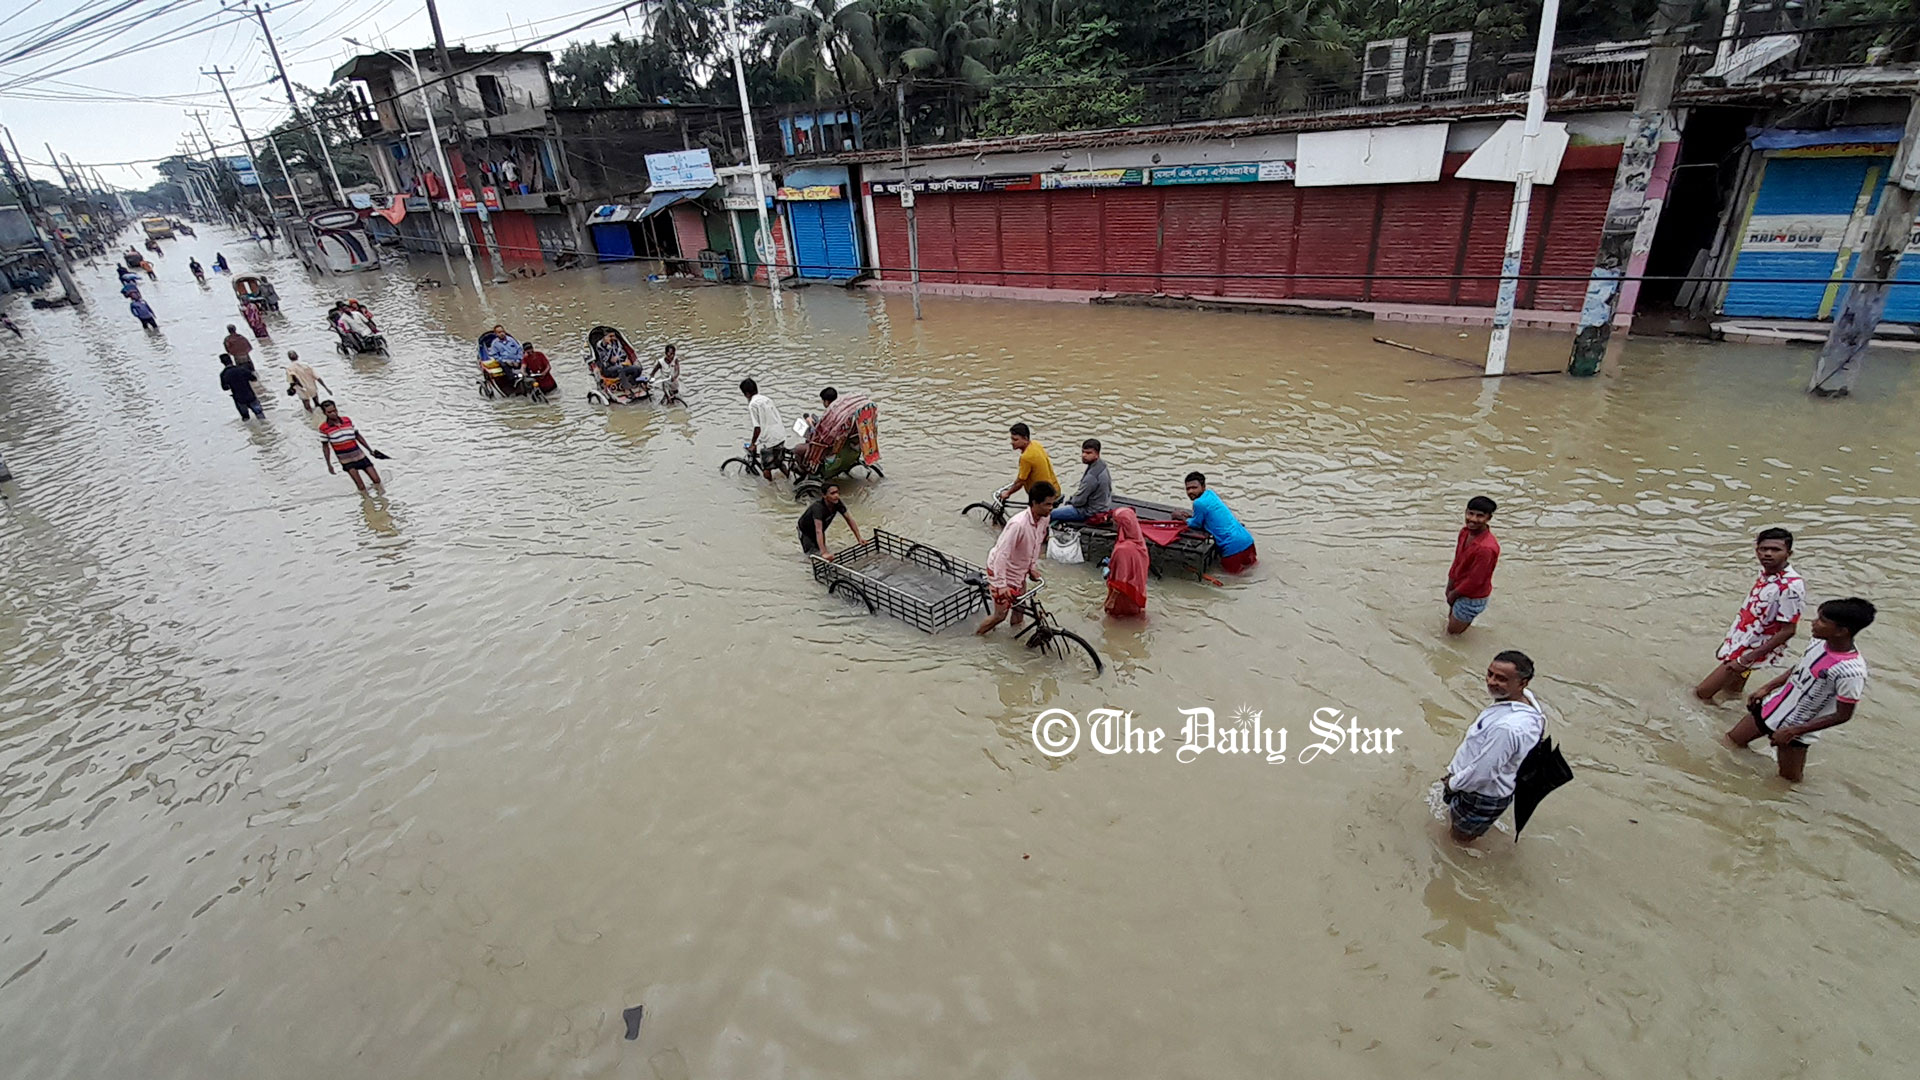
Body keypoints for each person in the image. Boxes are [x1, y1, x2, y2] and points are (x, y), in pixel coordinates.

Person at [1727, 597, 1873, 783]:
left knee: (1787, 782)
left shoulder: (1851, 672)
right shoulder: (1818, 642)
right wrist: (1768, 687)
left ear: (1841, 631)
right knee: (1730, 743)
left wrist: (1793, 731)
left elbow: (1843, 715)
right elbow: (1801, 667)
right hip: (1771, 708)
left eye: (1822, 621)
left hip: (1796, 730)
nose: (1813, 623)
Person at [1443, 650, 1546, 844]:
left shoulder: (1506, 729)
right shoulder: (1528, 702)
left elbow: (1482, 773)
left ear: (1522, 683)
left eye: (1501, 679)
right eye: (1490, 674)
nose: (1491, 682)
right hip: (1497, 790)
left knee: (1456, 843)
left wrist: (1452, 784)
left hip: (1478, 795)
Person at [1696, 527, 1805, 701]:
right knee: (1732, 693)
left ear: (1788, 553)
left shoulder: (1790, 586)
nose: (1768, 554)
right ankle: (1730, 718)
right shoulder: (1767, 574)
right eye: (1763, 549)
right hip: (1743, 642)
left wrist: (1746, 659)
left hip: (1751, 650)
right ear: (1757, 550)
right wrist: (1731, 642)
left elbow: (1789, 629)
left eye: (1775, 550)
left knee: (1701, 694)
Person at [977, 482, 1057, 634]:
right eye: (1047, 504)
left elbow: (1037, 543)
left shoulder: (1044, 519)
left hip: (1019, 570)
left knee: (1020, 608)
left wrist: (1031, 568)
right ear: (1034, 503)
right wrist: (1001, 585)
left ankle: (1014, 637)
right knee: (1000, 616)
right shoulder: (1018, 525)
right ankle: (977, 636)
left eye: (1052, 504)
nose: (1051, 508)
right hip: (1001, 572)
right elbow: (1002, 554)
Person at [1445, 496, 1501, 635]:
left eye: (1480, 516)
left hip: (1472, 597)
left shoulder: (1486, 548)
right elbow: (1457, 560)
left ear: (1489, 518)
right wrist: (1450, 584)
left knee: (1452, 636)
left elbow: (1476, 580)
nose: (1473, 519)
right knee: (1450, 625)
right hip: (1457, 587)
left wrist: (1453, 594)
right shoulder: (1464, 533)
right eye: (1470, 513)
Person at [1183, 471, 1256, 573]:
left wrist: (1183, 519)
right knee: (1253, 570)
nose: (1190, 491)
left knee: (1232, 580)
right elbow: (1209, 514)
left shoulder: (1198, 503)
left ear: (1203, 487)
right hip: (1247, 540)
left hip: (1232, 548)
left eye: (1194, 488)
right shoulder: (1211, 494)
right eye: (1188, 489)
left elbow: (1196, 524)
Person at [318, 400, 384, 493]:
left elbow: (357, 436)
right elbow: (325, 447)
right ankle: (367, 504)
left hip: (360, 455)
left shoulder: (347, 421)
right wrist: (329, 464)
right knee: (361, 486)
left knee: (376, 480)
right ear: (324, 413)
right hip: (346, 461)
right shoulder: (324, 428)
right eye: (330, 412)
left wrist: (370, 450)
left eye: (335, 410)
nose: (334, 413)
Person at [1051, 439, 1113, 523]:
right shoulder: (1102, 465)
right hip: (1103, 505)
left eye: (1088, 453)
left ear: (1097, 454)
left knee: (1049, 514)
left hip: (1090, 512)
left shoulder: (1092, 476)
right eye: (1083, 452)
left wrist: (1069, 502)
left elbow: (1079, 501)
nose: (1084, 455)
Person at [1104, 506, 1150, 618]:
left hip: (1123, 595)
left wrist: (1111, 601)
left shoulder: (1122, 549)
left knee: (1114, 621)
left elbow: (1120, 580)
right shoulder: (1140, 544)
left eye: (1115, 522)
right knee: (1134, 619)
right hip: (1136, 592)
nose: (1113, 524)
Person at [798, 483, 864, 559]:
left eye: (837, 492)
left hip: (820, 530)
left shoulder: (837, 503)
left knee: (821, 550)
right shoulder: (818, 508)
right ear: (824, 496)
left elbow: (849, 519)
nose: (836, 495)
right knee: (812, 555)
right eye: (832, 493)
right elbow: (818, 530)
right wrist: (824, 553)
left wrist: (859, 538)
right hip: (806, 531)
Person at [998, 423, 1057, 504]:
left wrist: (1008, 493)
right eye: (1011, 439)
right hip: (1054, 488)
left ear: (1025, 439)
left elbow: (1021, 481)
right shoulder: (1036, 444)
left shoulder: (1026, 457)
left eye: (1015, 440)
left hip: (1043, 497)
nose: (1012, 442)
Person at [741, 378, 787, 481]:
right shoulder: (767, 399)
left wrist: (753, 444)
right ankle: (788, 478)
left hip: (770, 439)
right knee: (779, 462)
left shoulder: (753, 404)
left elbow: (757, 428)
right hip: (780, 434)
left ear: (747, 394)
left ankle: (770, 488)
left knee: (766, 468)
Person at [219, 354, 263, 420]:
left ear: (222, 362)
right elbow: (254, 378)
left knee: (246, 419)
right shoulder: (241, 369)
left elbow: (225, 388)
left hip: (239, 399)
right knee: (260, 415)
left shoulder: (224, 374)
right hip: (250, 396)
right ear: (231, 360)